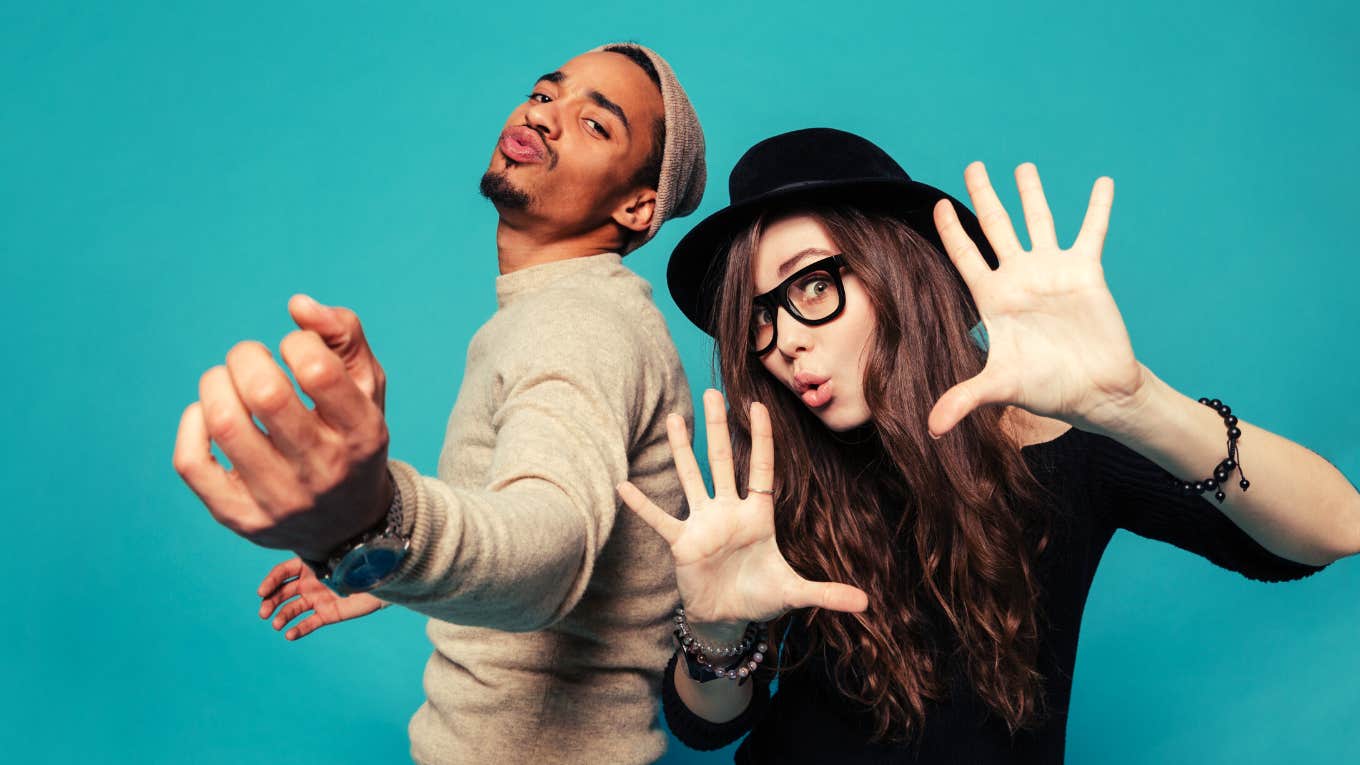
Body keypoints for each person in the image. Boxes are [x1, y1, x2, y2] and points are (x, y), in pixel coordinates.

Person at [617, 128, 1360, 763]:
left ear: (899, 270)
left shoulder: (1065, 438)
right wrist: (714, 635)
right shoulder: (779, 477)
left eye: (810, 285)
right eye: (757, 318)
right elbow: (709, 725)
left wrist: (1139, 405)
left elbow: (1336, 527)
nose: (783, 343)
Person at [173, 43, 706, 764]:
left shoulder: (579, 323)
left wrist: (374, 522)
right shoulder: (560, 311)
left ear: (638, 206)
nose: (545, 117)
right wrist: (383, 568)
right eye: (547, 93)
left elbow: (552, 546)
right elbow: (527, 519)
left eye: (595, 124)